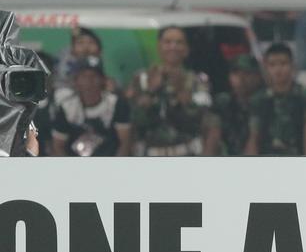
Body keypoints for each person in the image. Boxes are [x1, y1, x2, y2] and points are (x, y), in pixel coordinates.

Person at [127, 26, 220, 156]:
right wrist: (151, 90)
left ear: (186, 49)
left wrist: (181, 93)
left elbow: (204, 122)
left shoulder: (198, 82)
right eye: (168, 42)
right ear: (159, 47)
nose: (173, 47)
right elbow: (132, 121)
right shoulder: (141, 79)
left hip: (187, 154)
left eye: (179, 42)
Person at [246, 43, 306, 156]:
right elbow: (254, 137)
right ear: (266, 67)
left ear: (292, 66)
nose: (278, 69)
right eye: (272, 65)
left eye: (283, 64)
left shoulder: (305, 96)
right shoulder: (258, 99)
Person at [50, 56, 132, 157]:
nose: (89, 81)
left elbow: (125, 143)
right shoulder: (67, 107)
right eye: (84, 76)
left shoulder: (116, 104)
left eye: (94, 76)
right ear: (76, 81)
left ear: (103, 80)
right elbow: (58, 147)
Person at [213, 54, 264, 157]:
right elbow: (212, 140)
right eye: (236, 73)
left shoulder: (266, 103)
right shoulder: (222, 102)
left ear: (258, 77)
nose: (241, 78)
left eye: (247, 73)